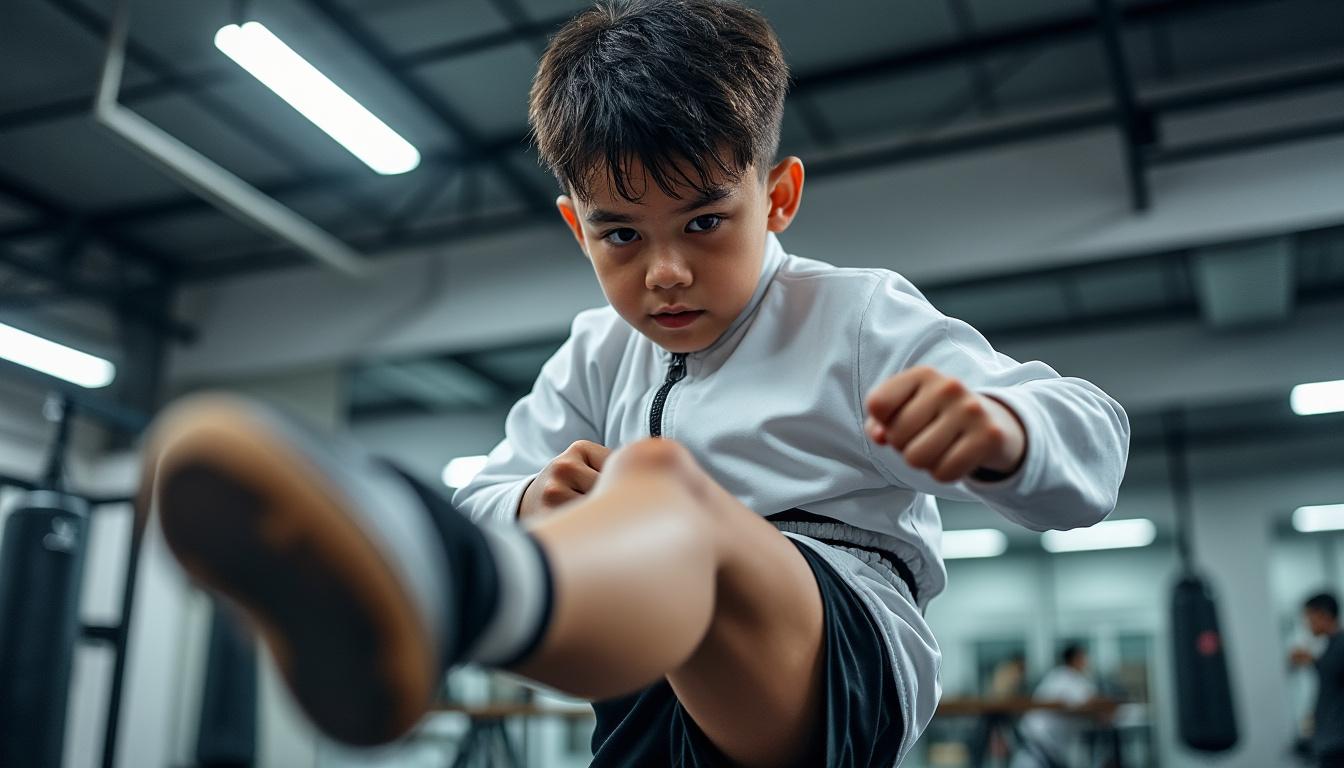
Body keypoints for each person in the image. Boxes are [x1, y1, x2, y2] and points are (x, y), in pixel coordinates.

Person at [136, 1, 1130, 765]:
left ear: (775, 197)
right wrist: (528, 499)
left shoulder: (857, 314)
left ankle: (462, 600)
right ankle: (476, 591)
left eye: (704, 223)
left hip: (837, 659)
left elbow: (1093, 432)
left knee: (662, 488)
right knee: (625, 505)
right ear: (577, 228)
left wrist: (1005, 429)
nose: (663, 272)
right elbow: (479, 489)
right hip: (646, 690)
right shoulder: (595, 354)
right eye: (621, 234)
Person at [1015, 645, 1103, 768]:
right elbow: (1090, 701)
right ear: (1075, 659)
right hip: (1042, 737)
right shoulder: (1067, 677)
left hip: (1039, 734)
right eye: (1083, 658)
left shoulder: (1057, 675)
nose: (1086, 662)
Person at [1291, 592, 1344, 767]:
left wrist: (1312, 661)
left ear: (1323, 615)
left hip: (1337, 741)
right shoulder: (1330, 646)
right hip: (1329, 739)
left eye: (1309, 617)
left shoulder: (1340, 644)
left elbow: (1334, 670)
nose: (1307, 624)